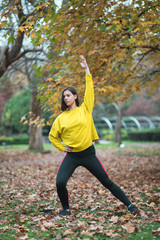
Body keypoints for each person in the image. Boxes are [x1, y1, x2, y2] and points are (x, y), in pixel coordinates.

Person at [49, 55, 138, 217]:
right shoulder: (60, 118)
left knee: (106, 181)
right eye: (64, 96)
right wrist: (62, 147)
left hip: (88, 154)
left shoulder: (85, 109)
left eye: (68, 95)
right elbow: (52, 137)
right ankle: (66, 209)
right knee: (60, 182)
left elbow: (90, 89)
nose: (65, 98)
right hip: (72, 156)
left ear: (75, 96)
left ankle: (129, 204)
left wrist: (86, 70)